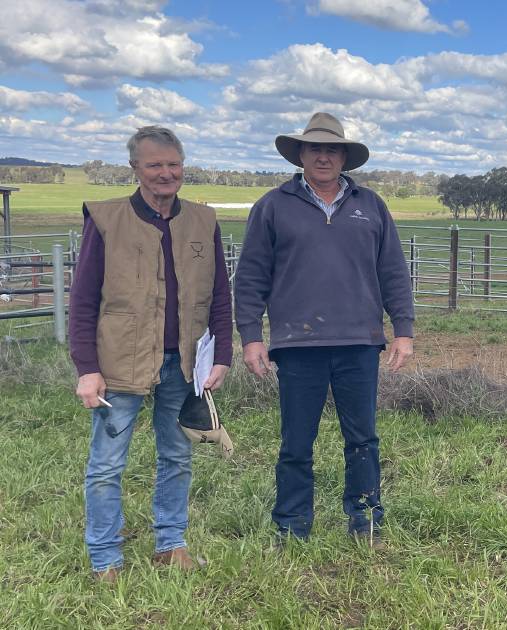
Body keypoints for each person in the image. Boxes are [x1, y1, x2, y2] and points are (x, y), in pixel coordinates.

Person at [235, 112, 414, 545]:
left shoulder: (370, 206)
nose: (323, 156)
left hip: (359, 341)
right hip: (298, 344)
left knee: (363, 438)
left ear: (344, 157)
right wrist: (251, 336)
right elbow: (252, 275)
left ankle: (366, 520)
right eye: (315, 148)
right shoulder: (273, 206)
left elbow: (392, 270)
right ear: (300, 153)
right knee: (296, 442)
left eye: (332, 149)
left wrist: (403, 329)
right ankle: (292, 526)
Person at [70, 125, 233, 582]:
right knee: (106, 464)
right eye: (154, 164)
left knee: (177, 455)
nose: (166, 173)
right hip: (118, 363)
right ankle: (105, 559)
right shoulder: (107, 219)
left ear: (183, 166)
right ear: (135, 169)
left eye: (173, 164)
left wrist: (221, 353)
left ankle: (171, 544)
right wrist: (87, 368)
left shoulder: (203, 221)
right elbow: (83, 300)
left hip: (183, 362)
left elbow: (220, 293)